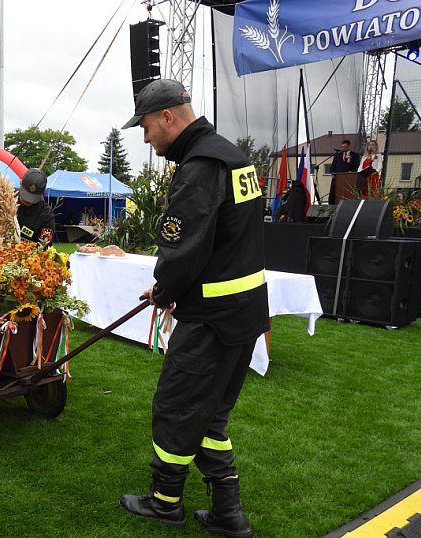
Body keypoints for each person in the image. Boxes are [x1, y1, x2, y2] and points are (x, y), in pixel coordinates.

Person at [119, 78, 268, 537]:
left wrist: (165, 287)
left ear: (167, 116)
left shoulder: (200, 166)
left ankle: (165, 503)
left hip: (211, 319)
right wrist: (166, 289)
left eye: (145, 127)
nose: (146, 139)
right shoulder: (233, 157)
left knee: (177, 406)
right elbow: (225, 240)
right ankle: (228, 513)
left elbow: (184, 247)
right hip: (243, 314)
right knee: (210, 415)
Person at [16, 168, 55, 245]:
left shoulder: (46, 215)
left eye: (33, 197)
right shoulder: (6, 200)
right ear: (20, 183)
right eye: (26, 194)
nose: (28, 200)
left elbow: (45, 245)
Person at [328, 139, 360, 204]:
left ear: (349, 146)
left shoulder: (355, 155)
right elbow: (333, 166)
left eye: (345, 147)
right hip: (337, 178)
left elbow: (356, 166)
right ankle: (332, 206)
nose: (343, 148)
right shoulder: (337, 155)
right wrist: (332, 173)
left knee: (347, 193)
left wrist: (351, 172)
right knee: (333, 193)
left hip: (348, 178)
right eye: (342, 147)